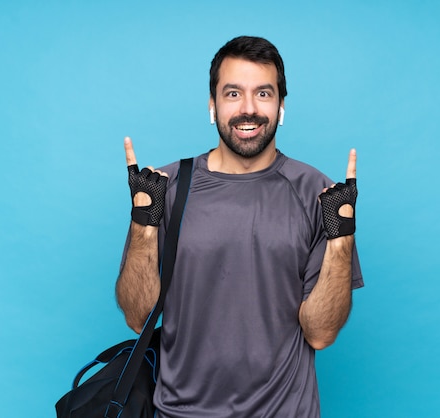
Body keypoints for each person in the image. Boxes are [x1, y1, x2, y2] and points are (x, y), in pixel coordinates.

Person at [116, 35, 363, 418]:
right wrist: (144, 224)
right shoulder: (165, 187)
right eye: (233, 94)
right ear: (212, 106)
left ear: (281, 106)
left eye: (263, 94)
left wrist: (342, 240)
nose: (249, 109)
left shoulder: (319, 193)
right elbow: (137, 317)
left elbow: (320, 333)